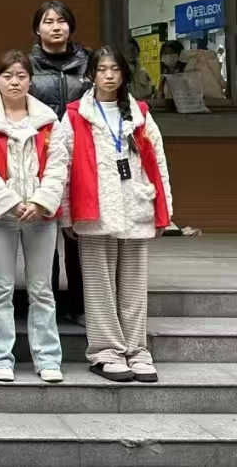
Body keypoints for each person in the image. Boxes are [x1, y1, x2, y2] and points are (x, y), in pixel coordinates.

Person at [61, 47, 173, 383]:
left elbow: (159, 163)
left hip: (136, 204)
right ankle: (106, 351)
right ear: (91, 75)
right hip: (94, 210)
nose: (109, 75)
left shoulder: (140, 113)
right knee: (99, 286)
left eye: (115, 69)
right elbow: (63, 167)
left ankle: (137, 350)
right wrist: (66, 214)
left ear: (124, 74)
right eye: (102, 69)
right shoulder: (76, 114)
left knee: (134, 286)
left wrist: (163, 208)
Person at [0, 50, 68, 385]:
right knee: (0, 287)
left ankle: (48, 358)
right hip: (0, 216)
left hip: (41, 216)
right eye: (7, 76)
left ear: (30, 80)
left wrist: (41, 201)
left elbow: (59, 165)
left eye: (21, 76)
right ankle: (0, 358)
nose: (14, 82)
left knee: (42, 289)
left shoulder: (49, 121)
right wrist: (10, 202)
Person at [28, 0, 89, 327]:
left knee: (80, 234)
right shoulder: (27, 66)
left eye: (61, 21)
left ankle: (82, 305)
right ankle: (46, 306)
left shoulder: (90, 63)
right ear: (37, 29)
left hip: (83, 157)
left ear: (71, 26)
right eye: (48, 21)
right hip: (42, 157)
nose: (55, 27)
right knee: (44, 234)